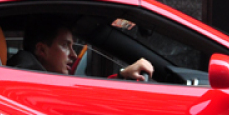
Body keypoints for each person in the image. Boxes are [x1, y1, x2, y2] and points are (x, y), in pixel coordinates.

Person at [12, 18, 153, 80]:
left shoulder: (33, 78)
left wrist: (122, 75)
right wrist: (122, 76)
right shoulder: (32, 84)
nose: (73, 55)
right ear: (42, 50)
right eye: (65, 45)